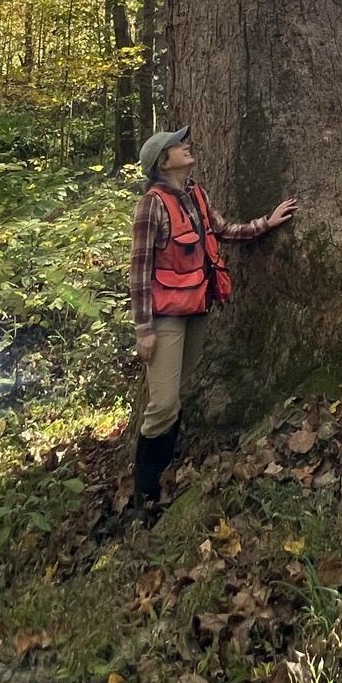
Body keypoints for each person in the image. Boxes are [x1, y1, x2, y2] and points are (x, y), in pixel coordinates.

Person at [127, 125, 296, 509]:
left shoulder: (196, 194)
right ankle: (146, 496)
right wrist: (144, 329)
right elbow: (139, 270)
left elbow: (222, 230)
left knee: (176, 394)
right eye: (177, 145)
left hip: (198, 309)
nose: (185, 146)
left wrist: (265, 223)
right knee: (163, 404)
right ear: (162, 162)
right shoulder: (151, 205)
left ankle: (162, 477)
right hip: (166, 318)